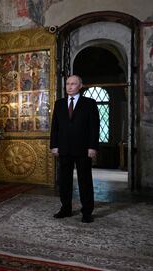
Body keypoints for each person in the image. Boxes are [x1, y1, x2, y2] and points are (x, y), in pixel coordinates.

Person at [50, 75, 100, 223]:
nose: (69, 86)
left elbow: (94, 127)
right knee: (64, 181)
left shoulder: (89, 103)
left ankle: (87, 212)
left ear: (80, 86)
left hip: (83, 149)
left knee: (85, 181)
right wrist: (54, 145)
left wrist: (93, 147)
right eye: (67, 84)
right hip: (64, 148)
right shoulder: (59, 104)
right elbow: (55, 127)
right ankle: (65, 209)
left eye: (73, 84)